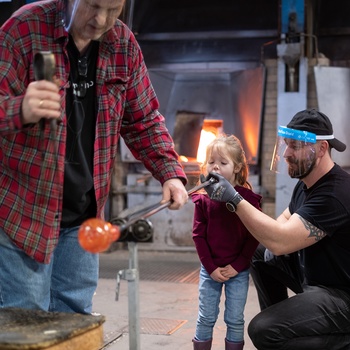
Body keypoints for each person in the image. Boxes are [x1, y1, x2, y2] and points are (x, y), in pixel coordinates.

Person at [0, 0, 188, 314]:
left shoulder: (122, 45)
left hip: (84, 217)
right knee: (26, 325)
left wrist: (169, 171)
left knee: (76, 325)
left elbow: (143, 118)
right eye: (92, 5)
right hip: (25, 213)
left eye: (113, 9)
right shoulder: (25, 29)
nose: (101, 20)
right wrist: (18, 109)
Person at [201, 109, 350, 350]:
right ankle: (283, 320)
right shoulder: (307, 183)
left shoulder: (335, 194)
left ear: (321, 149)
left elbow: (282, 242)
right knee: (259, 250)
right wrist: (271, 240)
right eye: (287, 145)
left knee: (263, 331)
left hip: (342, 296)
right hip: (315, 282)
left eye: (296, 146)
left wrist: (234, 199)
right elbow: (285, 218)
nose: (288, 153)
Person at [191, 134, 262, 350]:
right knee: (206, 317)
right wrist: (210, 268)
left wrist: (238, 265)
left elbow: (254, 235)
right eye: (211, 162)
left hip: (237, 272)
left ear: (237, 167)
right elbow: (198, 235)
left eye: (223, 163)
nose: (216, 167)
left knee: (235, 319)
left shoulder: (247, 200)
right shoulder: (203, 198)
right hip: (210, 270)